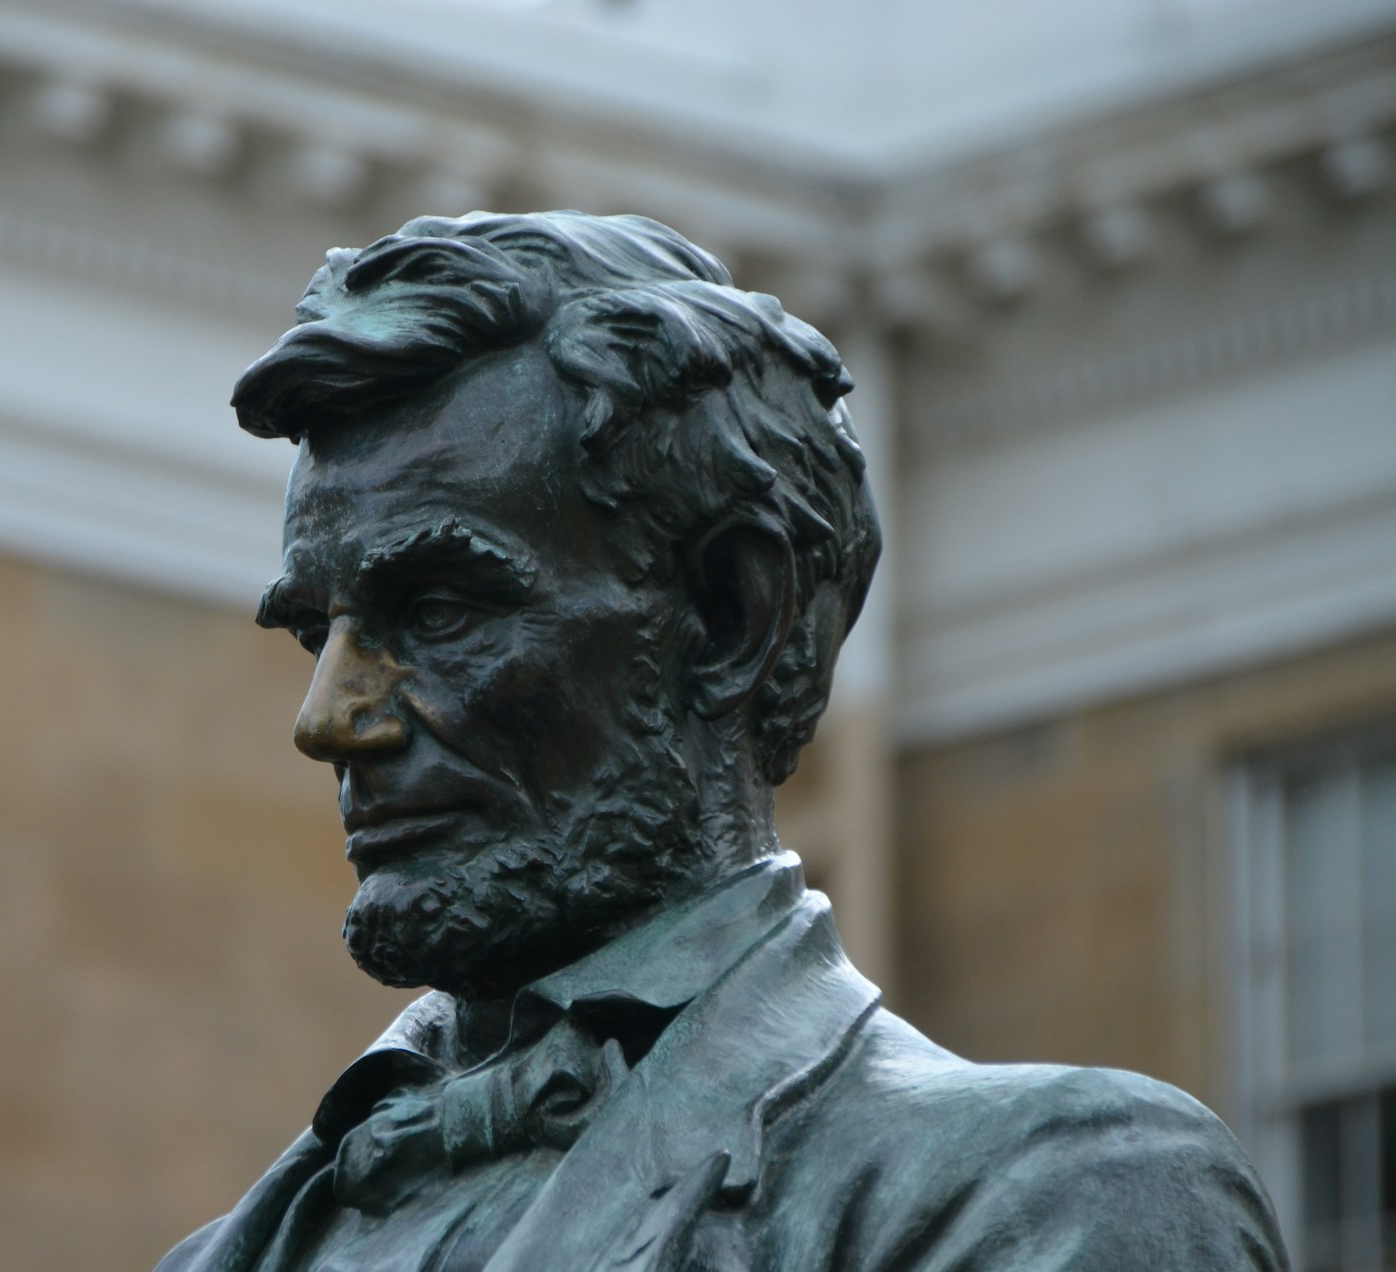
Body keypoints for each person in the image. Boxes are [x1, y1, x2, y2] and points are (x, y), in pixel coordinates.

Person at [157, 211, 1287, 1271]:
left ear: (729, 615)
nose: (328, 720)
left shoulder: (1055, 1190)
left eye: (440, 613)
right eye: (317, 634)